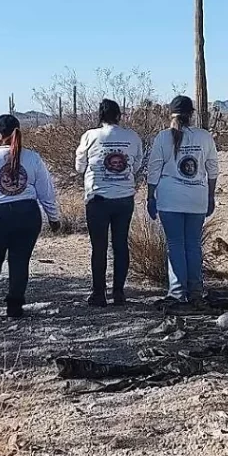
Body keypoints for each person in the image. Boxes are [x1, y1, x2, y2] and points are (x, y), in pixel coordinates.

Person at [0, 114, 61, 318]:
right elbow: (46, 191)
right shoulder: (33, 158)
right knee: (19, 261)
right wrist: (53, 217)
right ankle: (15, 305)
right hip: (26, 215)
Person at [146, 96, 219, 308]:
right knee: (194, 245)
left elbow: (154, 169)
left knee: (175, 245)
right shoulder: (204, 136)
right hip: (197, 198)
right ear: (192, 113)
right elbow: (212, 168)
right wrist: (211, 195)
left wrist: (151, 196)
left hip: (170, 200)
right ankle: (196, 290)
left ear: (171, 113)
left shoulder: (163, 137)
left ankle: (177, 292)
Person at [75, 99, 144, 307]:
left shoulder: (90, 136)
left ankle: (98, 293)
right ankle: (119, 293)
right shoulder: (132, 137)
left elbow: (79, 166)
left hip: (98, 199)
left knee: (99, 247)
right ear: (119, 115)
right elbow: (138, 164)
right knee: (121, 244)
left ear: (100, 116)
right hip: (124, 198)